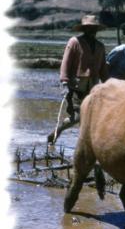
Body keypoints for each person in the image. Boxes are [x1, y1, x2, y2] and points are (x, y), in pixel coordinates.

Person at [47, 15, 109, 144]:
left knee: (91, 117)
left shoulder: (100, 46)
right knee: (78, 117)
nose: (92, 31)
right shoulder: (74, 42)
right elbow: (66, 62)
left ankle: (86, 145)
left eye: (94, 28)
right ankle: (58, 131)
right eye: (89, 28)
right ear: (84, 29)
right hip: (76, 86)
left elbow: (103, 68)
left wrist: (109, 84)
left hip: (93, 88)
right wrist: (64, 81)